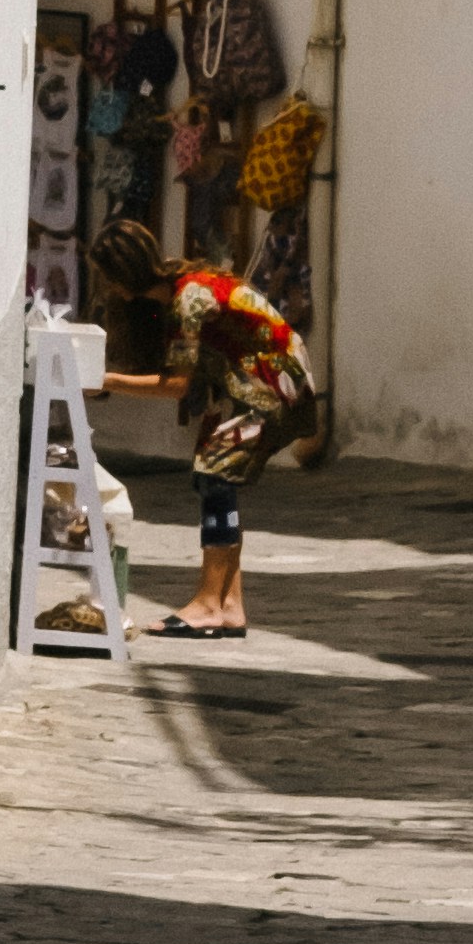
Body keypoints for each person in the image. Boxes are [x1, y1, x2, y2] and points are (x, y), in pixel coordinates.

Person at [90, 220, 314, 639]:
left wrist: (106, 381)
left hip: (269, 382)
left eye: (107, 278)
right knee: (215, 476)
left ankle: (209, 605)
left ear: (122, 275)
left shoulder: (187, 299)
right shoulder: (178, 282)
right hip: (247, 380)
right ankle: (229, 606)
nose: (106, 288)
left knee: (214, 474)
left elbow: (177, 386)